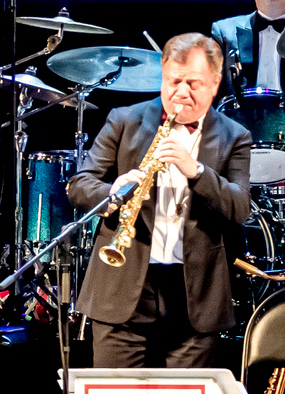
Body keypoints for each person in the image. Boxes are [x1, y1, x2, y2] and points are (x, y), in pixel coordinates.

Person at [70, 33, 253, 368]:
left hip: (194, 298)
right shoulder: (125, 119)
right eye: (173, 81)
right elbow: (80, 185)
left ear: (214, 83)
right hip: (123, 290)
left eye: (194, 83)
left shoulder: (234, 136)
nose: (181, 93)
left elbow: (240, 208)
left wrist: (196, 170)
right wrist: (111, 194)